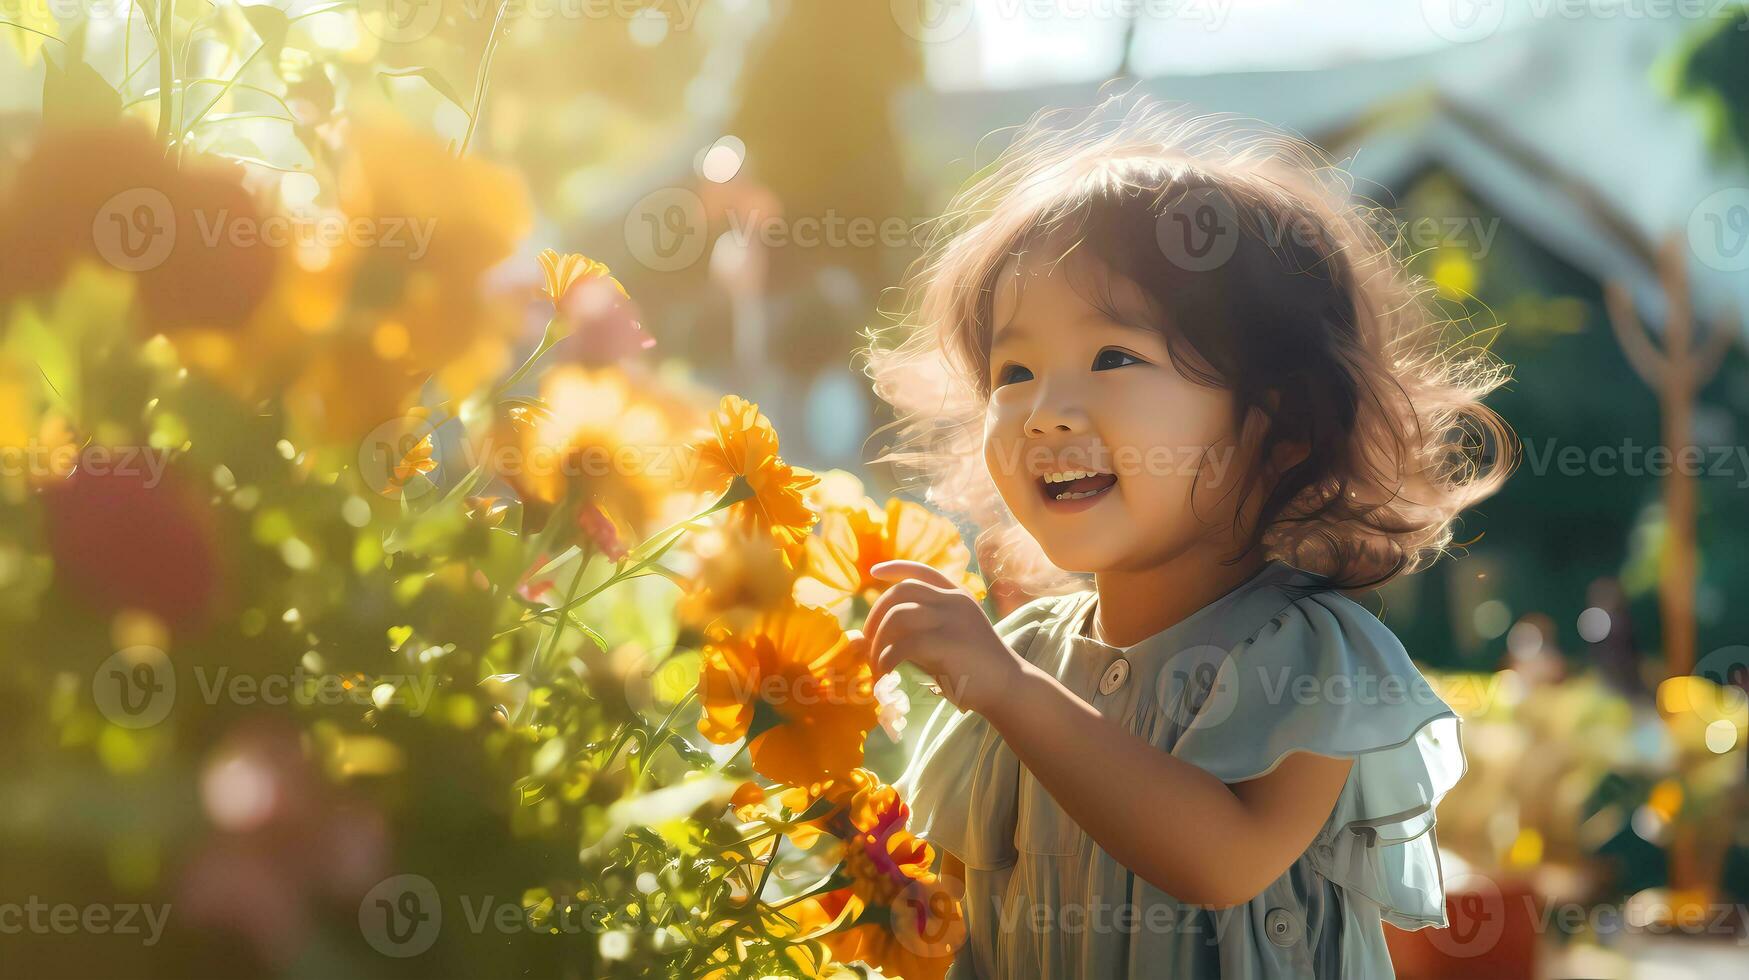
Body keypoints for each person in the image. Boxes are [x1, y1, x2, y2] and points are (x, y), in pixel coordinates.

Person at [854, 95, 1515, 978]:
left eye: (1114, 358)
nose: (1046, 412)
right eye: (1013, 371)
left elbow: (1222, 861)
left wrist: (1008, 692)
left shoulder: (1309, 655)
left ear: (1277, 423)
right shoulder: (1017, 662)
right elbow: (956, 926)